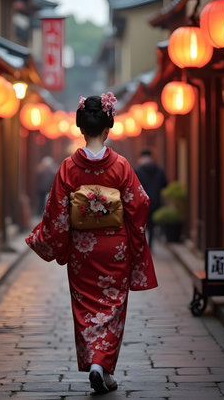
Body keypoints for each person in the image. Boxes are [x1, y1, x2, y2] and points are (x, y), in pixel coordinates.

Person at [26, 93, 157, 394]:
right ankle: (103, 367)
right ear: (107, 128)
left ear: (81, 129)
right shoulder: (121, 166)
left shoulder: (68, 167)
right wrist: (129, 228)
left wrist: (48, 240)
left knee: (85, 307)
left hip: (83, 251)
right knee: (112, 306)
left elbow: (56, 213)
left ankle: (96, 365)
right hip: (115, 248)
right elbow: (140, 203)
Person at [134, 149, 167, 250]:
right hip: (155, 201)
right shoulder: (159, 170)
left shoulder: (137, 170)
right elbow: (164, 184)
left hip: (141, 202)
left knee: (141, 225)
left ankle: (141, 246)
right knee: (152, 225)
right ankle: (150, 246)